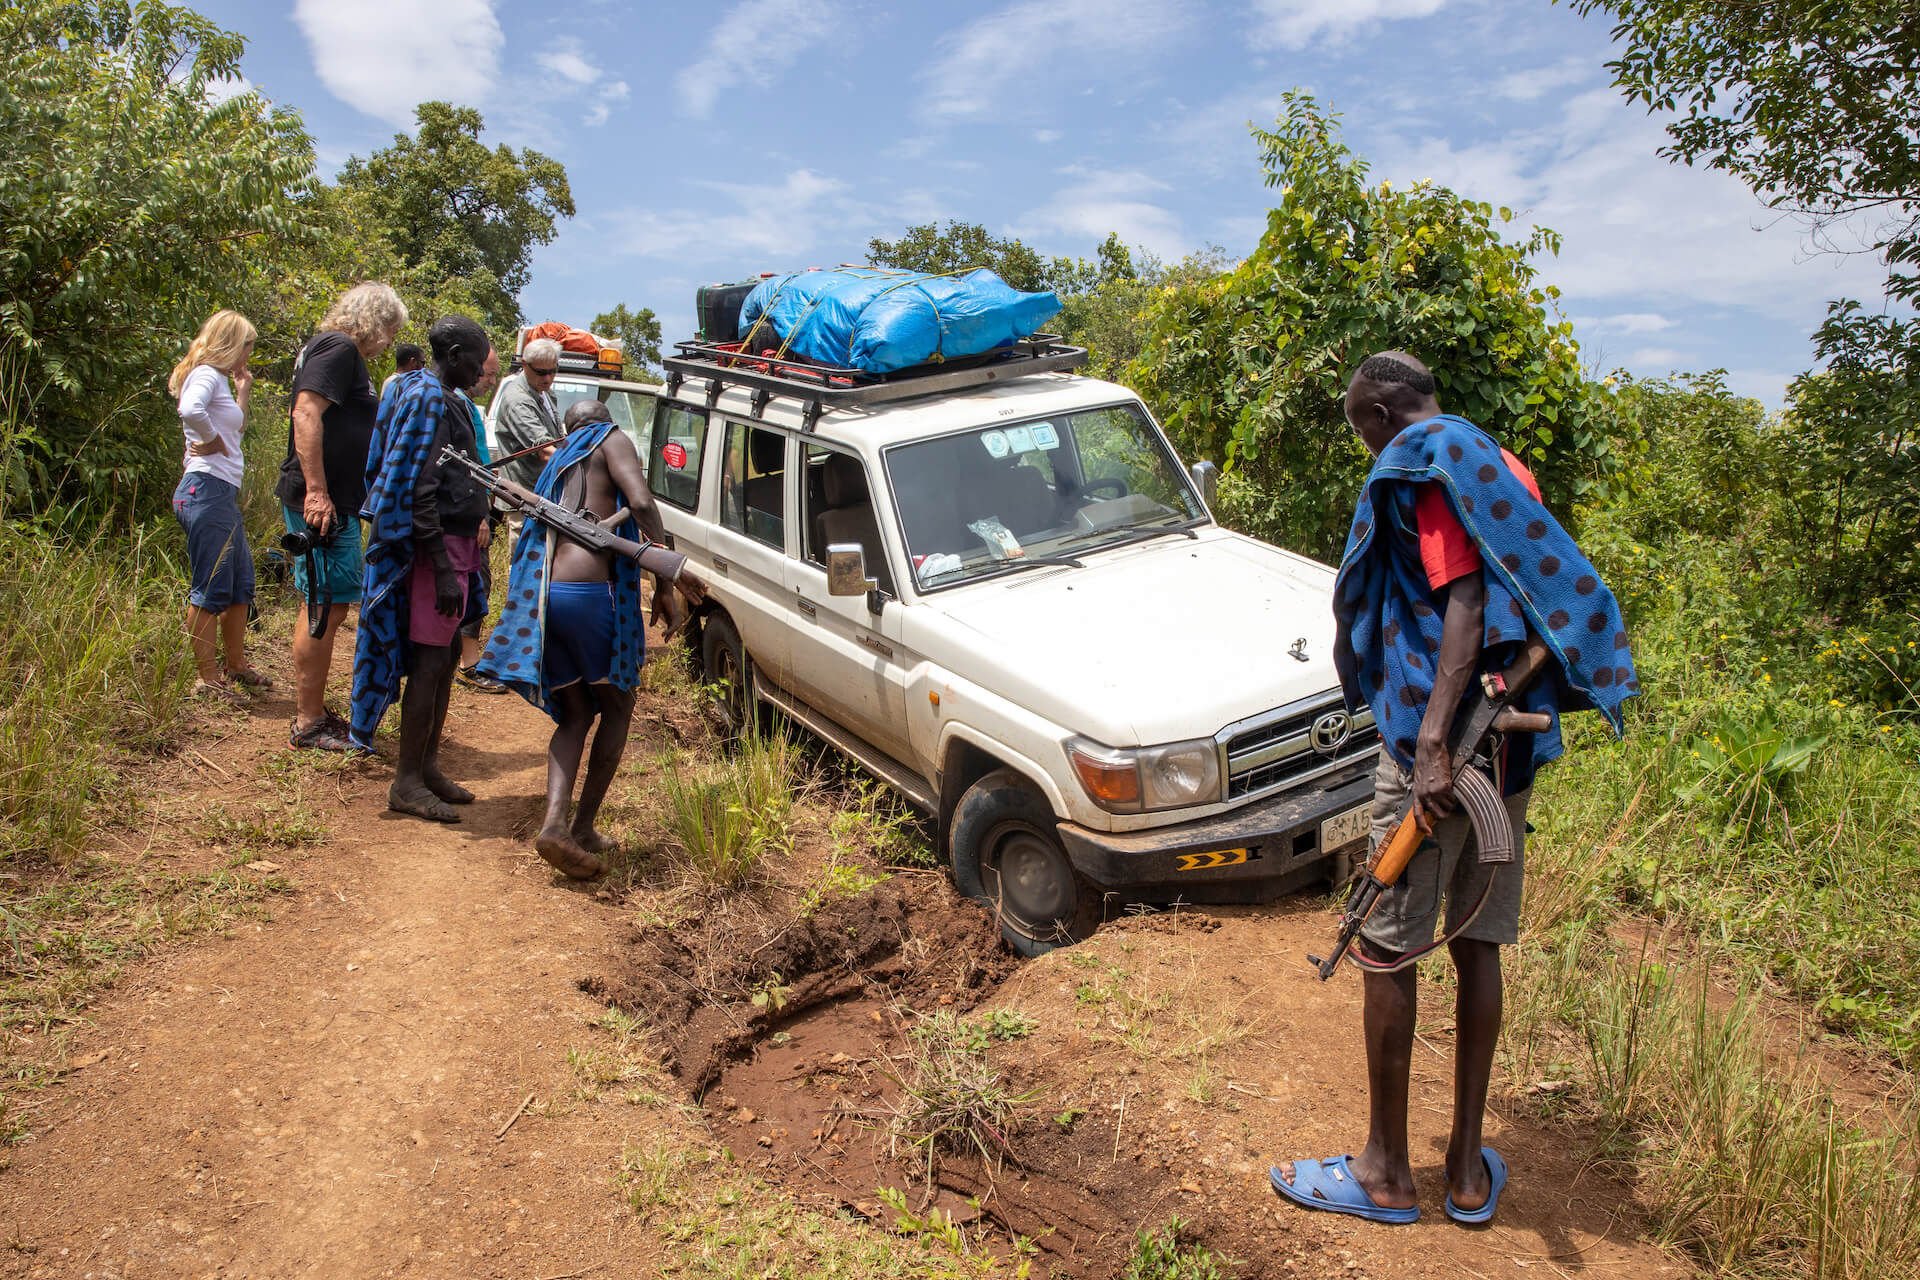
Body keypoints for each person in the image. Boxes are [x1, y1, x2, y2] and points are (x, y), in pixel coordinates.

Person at [1270, 352, 1639, 1226]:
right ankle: (1468, 1171)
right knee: (1479, 944)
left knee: (1386, 944)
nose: (1368, 446)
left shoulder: (1426, 463)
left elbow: (1466, 601)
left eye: (1364, 425)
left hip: (1438, 749)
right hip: (1503, 752)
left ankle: (1388, 1173)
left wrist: (1435, 744)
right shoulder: (1497, 461)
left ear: (1389, 409)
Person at [478, 400, 705, 878]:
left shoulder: (561, 462)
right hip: (589, 596)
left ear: (568, 428)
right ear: (604, 423)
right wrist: (666, 578)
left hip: (546, 599)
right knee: (618, 707)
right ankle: (581, 827)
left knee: (578, 712)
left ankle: (555, 825)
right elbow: (641, 503)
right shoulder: (611, 439)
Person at [348, 315, 493, 821]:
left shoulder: (424, 392)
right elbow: (417, 489)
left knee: (447, 654)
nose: (479, 372)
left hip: (451, 548)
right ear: (453, 355)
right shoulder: (429, 397)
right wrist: (443, 568)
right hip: (438, 553)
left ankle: (428, 767)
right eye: (475, 362)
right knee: (430, 663)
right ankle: (406, 781)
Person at [276, 281, 409, 752]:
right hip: (323, 503)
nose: (388, 343)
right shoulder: (339, 348)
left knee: (329, 604)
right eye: (390, 331)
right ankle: (308, 721)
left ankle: (313, 712)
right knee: (321, 605)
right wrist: (317, 491)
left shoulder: (332, 349)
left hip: (339, 499)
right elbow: (305, 413)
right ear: (375, 321)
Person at [170, 309, 268, 703]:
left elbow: (236, 427)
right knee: (210, 586)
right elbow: (189, 410)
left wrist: (243, 391)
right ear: (232, 343)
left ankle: (236, 665)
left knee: (240, 583)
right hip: (205, 489)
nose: (250, 353)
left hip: (219, 492)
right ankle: (207, 679)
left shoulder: (222, 381)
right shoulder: (207, 374)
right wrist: (208, 441)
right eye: (248, 345)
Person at [455, 343, 510, 693]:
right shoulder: (456, 405)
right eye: (486, 373)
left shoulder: (468, 407)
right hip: (469, 511)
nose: (489, 380)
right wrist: (480, 516)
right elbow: (467, 468)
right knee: (477, 583)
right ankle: (468, 663)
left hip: (478, 504)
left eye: (492, 374)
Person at [490, 337, 563, 494]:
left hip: (543, 494)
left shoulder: (545, 392)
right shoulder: (518, 401)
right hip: (522, 499)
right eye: (541, 373)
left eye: (552, 371)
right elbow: (545, 451)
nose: (548, 379)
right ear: (524, 365)